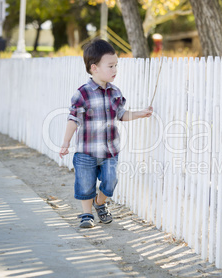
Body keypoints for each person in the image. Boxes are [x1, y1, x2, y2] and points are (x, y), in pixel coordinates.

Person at [59, 39, 153, 228]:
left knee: (110, 181)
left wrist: (139, 114)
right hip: (86, 151)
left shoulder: (115, 93)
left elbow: (121, 115)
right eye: (110, 66)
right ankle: (86, 214)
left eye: (116, 65)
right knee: (85, 185)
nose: (115, 69)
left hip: (110, 150)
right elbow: (73, 119)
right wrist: (66, 142)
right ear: (94, 68)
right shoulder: (83, 94)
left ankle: (100, 202)